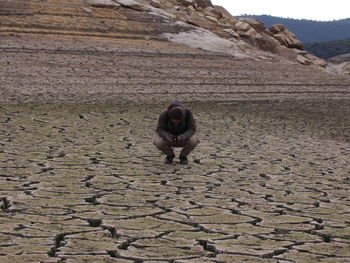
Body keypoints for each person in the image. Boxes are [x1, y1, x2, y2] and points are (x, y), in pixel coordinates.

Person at [153, 100, 199, 164]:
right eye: (174, 120)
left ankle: (183, 156)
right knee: (158, 142)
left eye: (178, 121)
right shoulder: (164, 114)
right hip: (169, 137)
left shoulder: (188, 113)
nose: (176, 122)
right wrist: (166, 136)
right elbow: (159, 129)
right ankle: (170, 155)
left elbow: (192, 129)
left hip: (183, 137)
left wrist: (183, 136)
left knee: (194, 140)